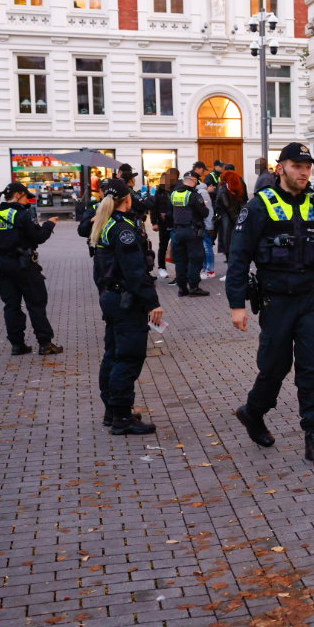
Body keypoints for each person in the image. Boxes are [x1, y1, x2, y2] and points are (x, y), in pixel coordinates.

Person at [226, 142, 314, 467]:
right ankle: (253, 412)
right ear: (281, 168)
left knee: (310, 370)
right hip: (275, 301)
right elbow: (238, 257)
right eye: (297, 166)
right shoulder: (259, 206)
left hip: (311, 299)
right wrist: (237, 304)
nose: (305, 172)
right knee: (274, 367)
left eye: (308, 167)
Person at [90, 178, 163, 435]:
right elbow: (134, 271)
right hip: (125, 300)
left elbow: (100, 270)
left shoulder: (105, 224)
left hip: (112, 297)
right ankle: (121, 417)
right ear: (128, 199)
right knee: (129, 357)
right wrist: (152, 302)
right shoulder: (124, 229)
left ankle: (112, 411)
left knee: (113, 354)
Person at [0, 181, 63, 355]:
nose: (28, 201)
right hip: (23, 265)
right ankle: (45, 344)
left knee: (11, 305)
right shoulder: (21, 214)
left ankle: (17, 345)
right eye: (27, 197)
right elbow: (38, 236)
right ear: (18, 194)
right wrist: (49, 224)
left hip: (1, 264)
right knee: (36, 303)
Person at [168, 168, 210, 297]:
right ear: (194, 181)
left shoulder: (174, 193)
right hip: (192, 232)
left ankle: (182, 288)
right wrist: (205, 205)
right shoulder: (194, 195)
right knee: (195, 259)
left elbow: (171, 212)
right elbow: (204, 213)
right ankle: (194, 287)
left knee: (180, 261)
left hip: (177, 231)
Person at [152, 167, 178, 278]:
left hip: (174, 222)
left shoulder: (175, 190)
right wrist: (154, 222)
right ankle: (162, 267)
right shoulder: (159, 193)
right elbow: (153, 208)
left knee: (176, 245)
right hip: (163, 224)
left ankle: (178, 269)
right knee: (163, 245)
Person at [218, 162, 247, 257]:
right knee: (238, 235)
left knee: (227, 237)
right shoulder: (240, 181)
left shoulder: (223, 182)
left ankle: (228, 256)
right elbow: (245, 198)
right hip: (238, 212)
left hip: (226, 214)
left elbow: (221, 200)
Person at [196, 168, 217, 280]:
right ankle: (205, 269)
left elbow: (209, 210)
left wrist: (209, 225)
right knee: (204, 247)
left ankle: (210, 270)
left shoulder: (202, 192)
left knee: (207, 247)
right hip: (201, 225)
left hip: (205, 225)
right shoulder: (199, 192)